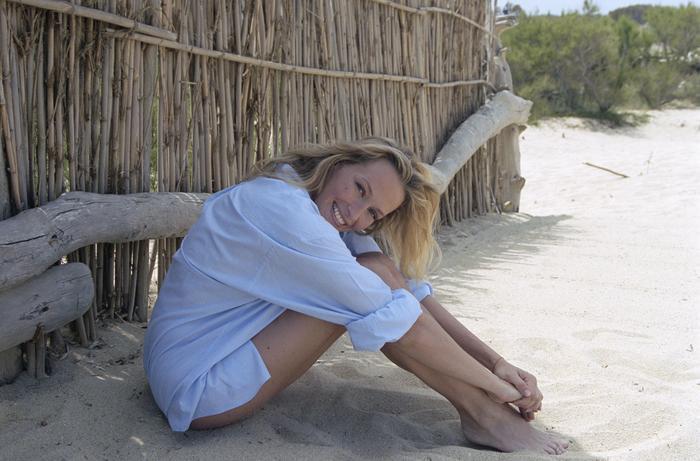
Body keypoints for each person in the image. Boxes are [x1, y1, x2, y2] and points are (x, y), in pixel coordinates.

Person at [143, 138, 569, 455]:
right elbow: (398, 318)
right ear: (339, 163)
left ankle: (483, 413)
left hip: (200, 355)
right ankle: (486, 417)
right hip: (197, 387)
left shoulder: (309, 197)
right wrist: (499, 390)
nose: (355, 214)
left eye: (373, 214)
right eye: (360, 189)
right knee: (373, 301)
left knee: (378, 272)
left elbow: (406, 289)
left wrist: (496, 363)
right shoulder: (283, 210)